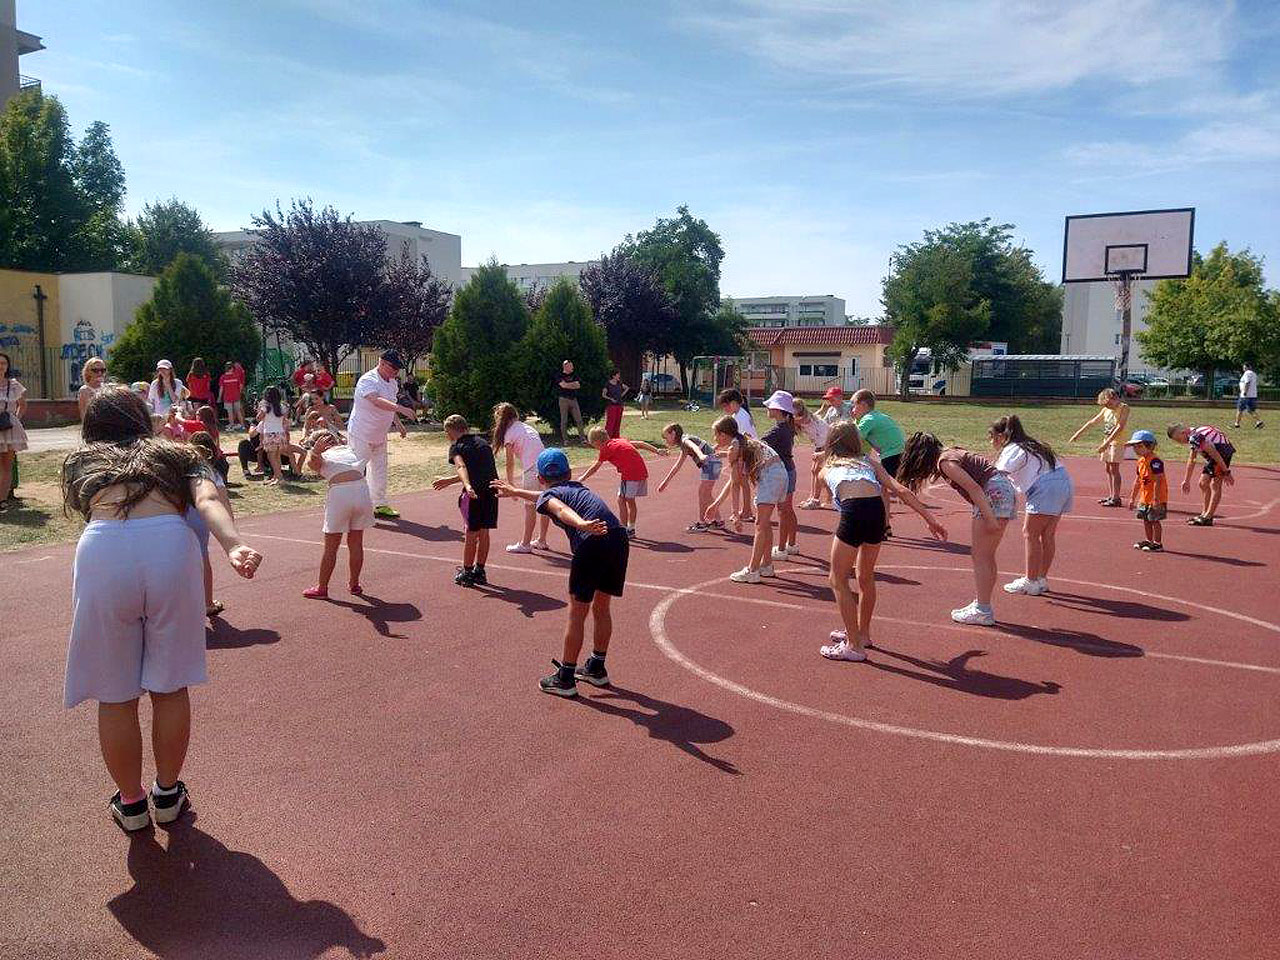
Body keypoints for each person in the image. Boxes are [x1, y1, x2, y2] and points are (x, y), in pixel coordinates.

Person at [61, 386, 261, 831]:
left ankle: (131, 805)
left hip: (104, 550)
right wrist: (233, 544)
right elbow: (208, 499)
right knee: (171, 686)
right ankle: (168, 794)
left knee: (115, 694)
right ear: (142, 418)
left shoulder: (81, 461)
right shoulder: (179, 453)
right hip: (170, 549)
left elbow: (83, 508)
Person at [492, 448, 629, 698]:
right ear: (569, 473)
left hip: (591, 539)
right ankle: (596, 668)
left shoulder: (551, 496)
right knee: (601, 607)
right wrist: (515, 491)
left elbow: (557, 507)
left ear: (541, 478)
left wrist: (580, 524)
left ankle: (565, 677)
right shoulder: (578, 488)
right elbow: (548, 498)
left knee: (577, 613)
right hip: (617, 537)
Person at [818, 421, 948, 662]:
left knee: (837, 579)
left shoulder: (828, 466)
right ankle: (862, 634)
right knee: (865, 576)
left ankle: (854, 646)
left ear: (831, 444)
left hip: (854, 512)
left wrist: (821, 462)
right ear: (857, 441)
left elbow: (829, 495)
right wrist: (930, 519)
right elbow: (901, 491)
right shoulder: (870, 463)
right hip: (877, 513)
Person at [896, 432, 1016, 626]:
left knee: (980, 556)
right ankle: (982, 604)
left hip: (992, 494)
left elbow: (975, 488)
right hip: (1000, 490)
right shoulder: (951, 454)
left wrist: (990, 519)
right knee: (986, 555)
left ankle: (983, 610)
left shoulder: (945, 462)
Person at [989, 415, 1074, 596]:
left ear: (1002, 435)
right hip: (1062, 481)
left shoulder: (1013, 448)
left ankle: (1031, 581)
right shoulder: (1033, 444)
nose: (991, 441)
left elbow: (999, 474)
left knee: (1030, 533)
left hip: (1045, 487)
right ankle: (1041, 579)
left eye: (992, 436)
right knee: (1048, 534)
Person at [704, 415, 788, 583]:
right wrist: (716, 505)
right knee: (764, 523)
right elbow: (733, 482)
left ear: (723, 434)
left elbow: (735, 485)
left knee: (760, 525)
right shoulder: (742, 440)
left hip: (771, 476)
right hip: (779, 473)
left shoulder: (734, 448)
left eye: (716, 434)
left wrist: (735, 514)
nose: (714, 438)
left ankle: (752, 570)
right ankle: (766, 565)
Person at [302, 430, 373, 599]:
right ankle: (354, 584)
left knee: (331, 547)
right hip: (362, 491)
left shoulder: (322, 454)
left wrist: (315, 451)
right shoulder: (349, 450)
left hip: (340, 493)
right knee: (356, 542)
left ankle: (322, 588)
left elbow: (313, 465)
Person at [346, 351, 416, 519]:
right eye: (394, 367)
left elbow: (390, 405)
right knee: (356, 469)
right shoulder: (368, 380)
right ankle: (350, 506)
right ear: (382, 363)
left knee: (379, 470)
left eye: (398, 368)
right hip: (361, 433)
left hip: (379, 434)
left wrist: (398, 424)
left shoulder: (392, 383)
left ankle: (379, 504)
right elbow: (376, 400)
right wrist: (402, 409)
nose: (396, 372)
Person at [432, 414, 500, 587]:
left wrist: (468, 486)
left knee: (471, 533)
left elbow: (461, 466)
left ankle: (467, 572)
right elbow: (475, 469)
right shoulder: (483, 444)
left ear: (451, 431)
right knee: (484, 532)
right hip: (491, 490)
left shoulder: (457, 447)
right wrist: (449, 481)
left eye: (446, 432)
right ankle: (480, 570)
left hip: (474, 494)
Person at [578, 426, 662, 538]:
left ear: (598, 442)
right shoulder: (619, 440)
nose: (595, 448)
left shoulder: (605, 449)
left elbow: (595, 467)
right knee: (629, 501)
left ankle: (624, 529)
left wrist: (583, 477)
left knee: (622, 500)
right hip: (641, 472)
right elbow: (641, 443)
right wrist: (657, 450)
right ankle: (630, 528)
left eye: (593, 445)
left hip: (630, 475)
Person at [491, 402, 551, 553]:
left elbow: (509, 462)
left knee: (530, 507)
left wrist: (511, 486)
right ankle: (542, 540)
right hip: (547, 465)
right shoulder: (527, 427)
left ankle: (525, 544)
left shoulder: (509, 433)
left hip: (532, 468)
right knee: (545, 504)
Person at [186, 431, 234, 618]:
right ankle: (207, 603)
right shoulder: (212, 474)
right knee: (203, 559)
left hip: (177, 518)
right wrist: (230, 530)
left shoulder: (182, 471)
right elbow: (223, 501)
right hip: (199, 519)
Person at [851, 390, 905, 536]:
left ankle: (881, 525)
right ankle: (885, 525)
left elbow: (852, 437)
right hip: (894, 454)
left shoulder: (869, 419)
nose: (852, 409)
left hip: (892, 455)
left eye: (854, 405)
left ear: (862, 404)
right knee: (882, 490)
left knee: (879, 490)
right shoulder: (874, 416)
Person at [657, 422, 723, 532]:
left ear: (673, 433)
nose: (665, 440)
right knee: (706, 494)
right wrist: (665, 482)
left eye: (666, 437)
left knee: (703, 493)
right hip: (712, 464)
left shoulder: (685, 440)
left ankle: (702, 523)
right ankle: (718, 521)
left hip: (711, 463)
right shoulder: (683, 446)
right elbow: (678, 465)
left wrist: (701, 455)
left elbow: (694, 446)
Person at [1068, 388, 1129, 507]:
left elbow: (1120, 427)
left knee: (1114, 469)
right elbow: (1093, 422)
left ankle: (1116, 497)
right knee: (1108, 469)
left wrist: (1106, 444)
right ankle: (1111, 495)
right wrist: (1078, 433)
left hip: (1117, 442)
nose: (1108, 407)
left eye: (1109, 404)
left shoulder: (1124, 408)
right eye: (1106, 405)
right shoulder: (1106, 410)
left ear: (1114, 398)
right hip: (1107, 441)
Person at [1167, 423, 1235, 525]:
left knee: (1215, 484)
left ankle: (1208, 517)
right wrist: (1187, 480)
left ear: (1183, 433)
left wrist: (1226, 471)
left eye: (1179, 440)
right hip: (1215, 454)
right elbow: (1192, 459)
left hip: (1222, 453)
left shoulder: (1195, 437)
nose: (1180, 443)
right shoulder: (1193, 436)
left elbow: (1214, 453)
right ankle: (1204, 514)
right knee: (1203, 483)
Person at [761, 390, 799, 558]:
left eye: (770, 406)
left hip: (782, 472)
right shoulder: (788, 427)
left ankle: (782, 548)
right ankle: (791, 544)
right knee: (787, 509)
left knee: (782, 511)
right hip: (790, 469)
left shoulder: (778, 430)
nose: (767, 408)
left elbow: (759, 445)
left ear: (777, 409)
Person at [717, 388, 757, 523]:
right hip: (746, 452)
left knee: (743, 483)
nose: (724, 409)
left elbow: (740, 439)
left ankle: (747, 511)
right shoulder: (739, 415)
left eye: (725, 406)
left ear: (734, 403)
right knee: (742, 482)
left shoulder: (741, 417)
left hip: (747, 453)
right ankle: (746, 510)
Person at [1125, 429, 1168, 552]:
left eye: (1139, 446)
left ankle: (1158, 543)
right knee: (1145, 519)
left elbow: (1158, 479)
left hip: (1156, 497)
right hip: (1144, 497)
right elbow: (1138, 480)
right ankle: (1149, 540)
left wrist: (1156, 497)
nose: (1136, 449)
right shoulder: (1140, 461)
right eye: (1134, 447)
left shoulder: (1155, 461)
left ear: (1149, 446)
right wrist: (1133, 498)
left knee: (1154, 520)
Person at [0, 352, 29, 510]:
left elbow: (22, 405)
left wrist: (15, 420)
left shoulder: (13, 384)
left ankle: (2, 499)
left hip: (8, 427)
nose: (1, 366)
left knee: (6, 465)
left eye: (3, 363)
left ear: (7, 366)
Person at [794, 399, 831, 510]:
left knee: (818, 471)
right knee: (814, 470)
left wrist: (787, 417)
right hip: (819, 443)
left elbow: (799, 421)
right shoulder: (808, 415)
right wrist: (822, 409)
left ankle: (816, 499)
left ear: (798, 408)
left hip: (826, 442)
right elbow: (817, 413)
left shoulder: (804, 418)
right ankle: (812, 497)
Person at [255, 386, 293, 485]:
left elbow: (258, 418)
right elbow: (284, 420)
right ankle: (276, 476)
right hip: (280, 433)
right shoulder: (283, 407)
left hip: (269, 433)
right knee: (277, 456)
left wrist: (259, 409)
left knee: (271, 456)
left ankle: (279, 477)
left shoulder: (265, 407)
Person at [557, 360, 586, 443]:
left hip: (573, 399)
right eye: (570, 366)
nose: (572, 368)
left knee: (579, 420)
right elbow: (563, 385)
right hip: (563, 399)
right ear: (565, 366)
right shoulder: (559, 375)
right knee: (564, 420)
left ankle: (582, 439)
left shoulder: (574, 375)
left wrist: (567, 385)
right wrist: (571, 385)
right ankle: (566, 440)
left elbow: (578, 385)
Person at [217, 361, 246, 432]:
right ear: (232, 368)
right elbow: (240, 386)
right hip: (236, 397)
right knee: (238, 411)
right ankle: (242, 426)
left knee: (230, 412)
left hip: (227, 397)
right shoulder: (236, 376)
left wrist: (219, 397)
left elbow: (221, 388)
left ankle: (232, 425)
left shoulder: (223, 377)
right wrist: (238, 393)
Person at [1234, 362, 1264, 430]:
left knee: (1240, 409)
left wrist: (1245, 392)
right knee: (1251, 410)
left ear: (1248, 367)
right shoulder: (1254, 374)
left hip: (1245, 396)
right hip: (1253, 395)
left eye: (1244, 367)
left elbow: (1247, 382)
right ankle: (1259, 421)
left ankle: (1236, 424)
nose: (1244, 369)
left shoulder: (1247, 373)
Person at [602, 370, 630, 439]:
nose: (619, 376)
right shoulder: (607, 384)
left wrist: (621, 395)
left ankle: (616, 438)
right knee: (610, 423)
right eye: (618, 374)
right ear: (613, 376)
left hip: (619, 405)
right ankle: (607, 438)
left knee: (617, 423)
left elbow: (627, 388)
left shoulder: (619, 383)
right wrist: (611, 399)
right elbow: (603, 395)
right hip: (611, 406)